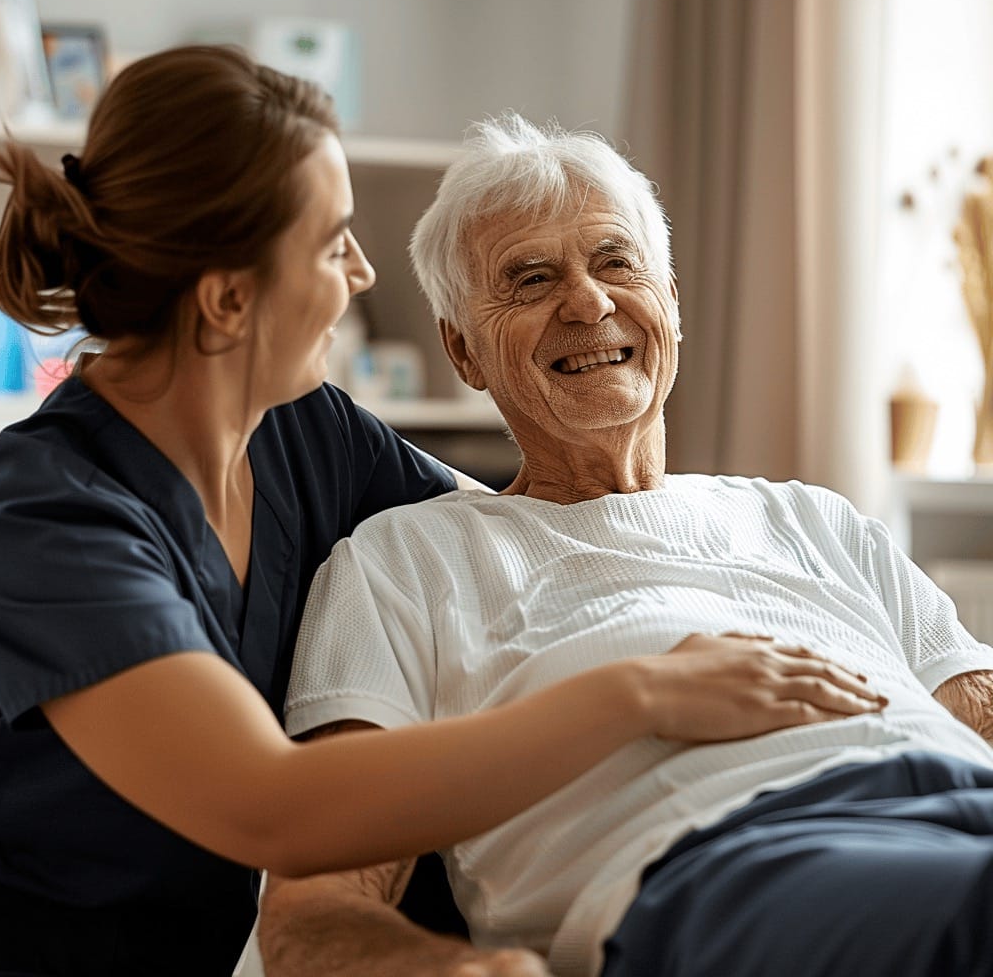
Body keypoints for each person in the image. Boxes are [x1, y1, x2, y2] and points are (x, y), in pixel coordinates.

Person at [0, 48, 883, 977]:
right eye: (333, 245)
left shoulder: (304, 434)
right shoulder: (45, 525)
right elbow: (273, 805)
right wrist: (646, 691)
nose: (364, 274)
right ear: (229, 300)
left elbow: (530, 543)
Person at [261, 112, 993, 977]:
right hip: (738, 864)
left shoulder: (814, 519)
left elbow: (973, 708)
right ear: (463, 351)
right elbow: (315, 902)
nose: (587, 301)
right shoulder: (404, 561)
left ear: (671, 301)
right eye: (529, 280)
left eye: (616, 262)